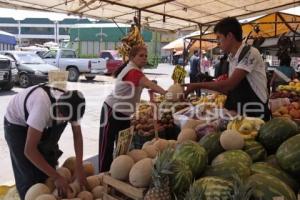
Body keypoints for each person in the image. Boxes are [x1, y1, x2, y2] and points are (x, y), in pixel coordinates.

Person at [4, 84, 87, 199]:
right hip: (17, 124)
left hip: (39, 121)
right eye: (63, 117)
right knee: (28, 177)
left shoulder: (74, 105)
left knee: (47, 166)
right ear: (58, 105)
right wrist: (57, 177)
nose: (64, 120)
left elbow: (77, 135)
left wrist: (79, 166)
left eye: (67, 120)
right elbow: (29, 150)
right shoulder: (42, 105)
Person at [183, 17, 271, 120]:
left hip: (255, 115)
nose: (218, 43)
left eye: (219, 38)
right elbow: (232, 89)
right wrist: (209, 80)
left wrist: (195, 86)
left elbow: (229, 85)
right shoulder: (231, 58)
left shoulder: (250, 53)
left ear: (229, 36)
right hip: (238, 114)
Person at [98, 45, 167, 172]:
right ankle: (102, 176)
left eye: (146, 56)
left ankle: (116, 173)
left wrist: (152, 93)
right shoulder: (132, 71)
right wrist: (166, 93)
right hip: (112, 111)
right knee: (106, 147)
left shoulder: (136, 71)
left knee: (123, 147)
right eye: (141, 55)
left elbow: (145, 85)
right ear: (132, 57)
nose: (144, 58)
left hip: (125, 114)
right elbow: (148, 83)